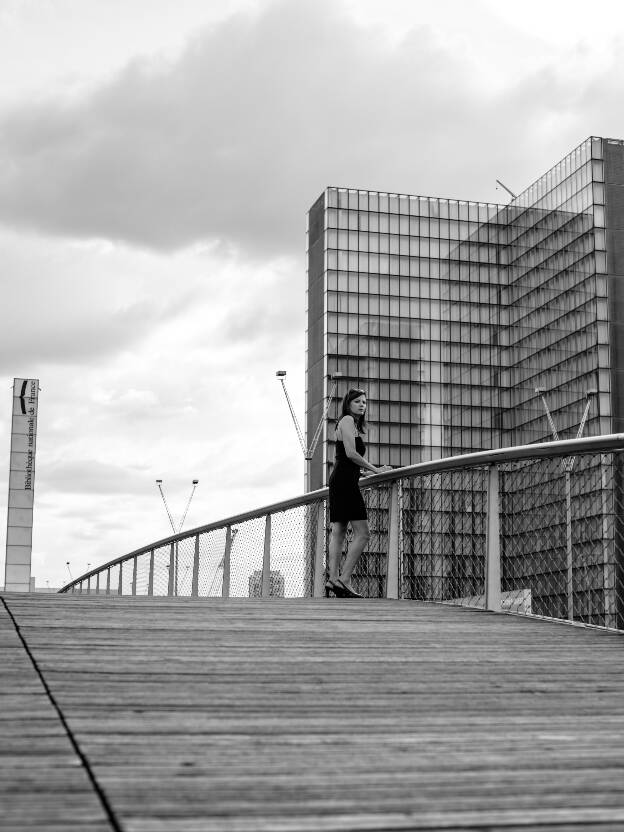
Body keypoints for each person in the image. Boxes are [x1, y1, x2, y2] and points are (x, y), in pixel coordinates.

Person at [325, 388, 392, 598]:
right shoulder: (346, 420)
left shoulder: (351, 424)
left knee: (340, 531)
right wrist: (376, 470)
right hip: (344, 482)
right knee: (363, 533)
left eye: (364, 402)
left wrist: (361, 472)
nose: (362, 405)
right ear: (348, 404)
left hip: (343, 479)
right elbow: (351, 453)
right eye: (357, 402)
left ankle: (334, 580)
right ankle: (343, 579)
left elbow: (346, 459)